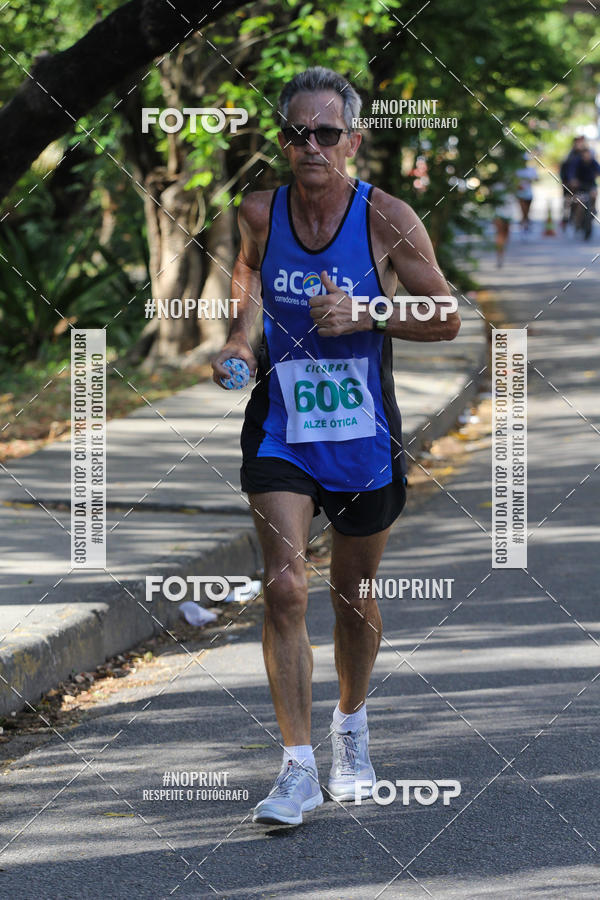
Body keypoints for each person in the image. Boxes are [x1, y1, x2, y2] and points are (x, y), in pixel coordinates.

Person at [211, 66, 460, 827]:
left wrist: (368, 313)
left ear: (353, 138)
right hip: (282, 422)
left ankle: (351, 727)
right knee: (285, 587)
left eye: (327, 133)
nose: (311, 145)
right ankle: (295, 768)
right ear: (283, 140)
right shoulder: (259, 210)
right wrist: (238, 341)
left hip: (362, 435)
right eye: (297, 133)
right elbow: (248, 279)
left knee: (352, 597)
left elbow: (446, 316)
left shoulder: (387, 218)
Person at [560, 136, 586, 229]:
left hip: (582, 184)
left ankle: (581, 221)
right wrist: (567, 181)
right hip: (569, 183)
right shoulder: (569, 156)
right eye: (578, 142)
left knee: (582, 201)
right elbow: (565, 169)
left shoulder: (586, 154)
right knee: (567, 202)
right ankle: (565, 219)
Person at [515, 152, 538, 232]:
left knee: (527, 210)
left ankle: (525, 224)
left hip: (529, 193)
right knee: (523, 209)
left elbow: (536, 179)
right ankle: (524, 224)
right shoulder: (517, 170)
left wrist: (530, 179)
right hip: (520, 193)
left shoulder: (531, 169)